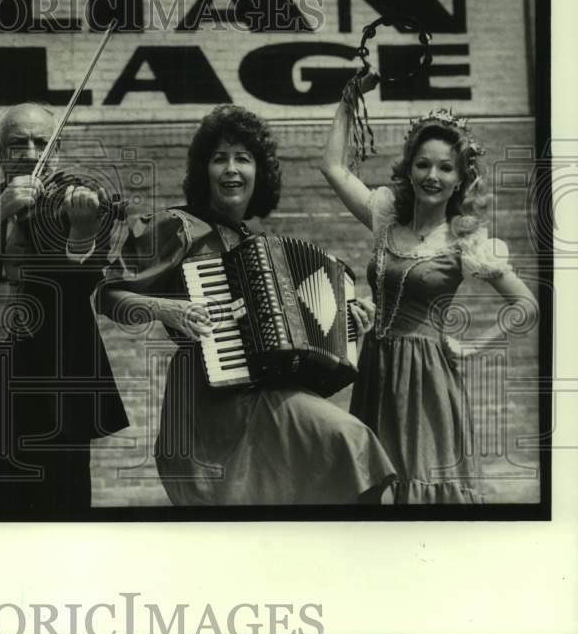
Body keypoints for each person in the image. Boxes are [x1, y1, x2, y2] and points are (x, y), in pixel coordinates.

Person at [98, 105, 396, 505]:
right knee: (348, 441)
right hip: (207, 406)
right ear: (204, 170)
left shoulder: (256, 243)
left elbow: (295, 342)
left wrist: (349, 328)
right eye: (219, 158)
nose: (231, 169)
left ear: (260, 172)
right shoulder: (177, 226)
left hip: (264, 397)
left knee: (351, 456)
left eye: (243, 158)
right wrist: (167, 309)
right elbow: (107, 294)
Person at [320, 75, 539, 502]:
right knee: (375, 488)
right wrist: (348, 99)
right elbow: (333, 168)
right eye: (423, 164)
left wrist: (474, 346)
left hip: (426, 377)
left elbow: (526, 305)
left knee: (420, 489)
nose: (432, 175)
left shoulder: (465, 240)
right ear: (409, 168)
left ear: (460, 178)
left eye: (445, 168)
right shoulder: (386, 218)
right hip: (376, 369)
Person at [0, 102, 129, 512]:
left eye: (43, 143)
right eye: (19, 144)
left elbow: (83, 283)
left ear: (58, 151)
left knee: (65, 508)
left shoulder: (78, 205)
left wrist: (82, 230)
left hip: (59, 381)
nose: (33, 154)